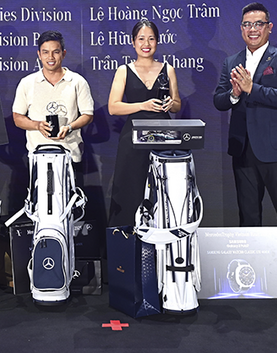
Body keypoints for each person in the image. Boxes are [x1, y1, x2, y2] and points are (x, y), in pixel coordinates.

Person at [213, 2, 277, 290]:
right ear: (241, 29)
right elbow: (218, 100)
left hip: (276, 150)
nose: (252, 29)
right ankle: (249, 269)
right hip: (243, 148)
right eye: (247, 24)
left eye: (258, 24)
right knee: (249, 212)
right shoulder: (231, 62)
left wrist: (253, 89)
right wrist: (234, 94)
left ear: (269, 27)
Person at [107, 19, 181, 227]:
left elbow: (177, 105)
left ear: (157, 41)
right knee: (130, 189)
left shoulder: (168, 69)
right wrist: (143, 105)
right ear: (133, 42)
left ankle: (164, 237)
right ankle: (125, 238)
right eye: (141, 39)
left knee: (163, 190)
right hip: (132, 138)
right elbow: (113, 107)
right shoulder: (124, 70)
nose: (146, 44)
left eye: (151, 39)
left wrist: (171, 104)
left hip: (163, 137)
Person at [12, 31, 94, 172]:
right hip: (38, 155)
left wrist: (70, 127)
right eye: (45, 52)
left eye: (55, 52)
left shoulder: (77, 81)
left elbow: (88, 115)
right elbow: (18, 117)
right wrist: (37, 125)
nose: (50, 57)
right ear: (39, 54)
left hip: (70, 154)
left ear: (63, 53)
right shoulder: (27, 83)